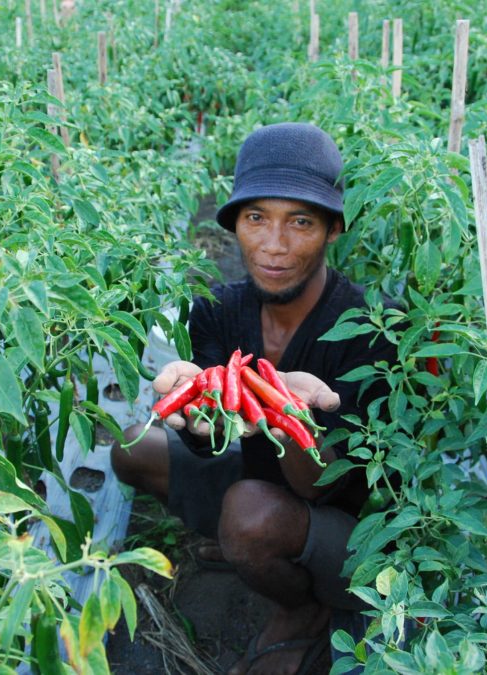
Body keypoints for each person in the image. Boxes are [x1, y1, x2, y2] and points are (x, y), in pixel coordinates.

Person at [111, 123, 395, 675]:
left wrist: (293, 417)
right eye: (256, 218)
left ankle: (303, 609)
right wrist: (194, 416)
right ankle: (252, 549)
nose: (273, 245)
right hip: (260, 479)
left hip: (350, 531)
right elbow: (211, 445)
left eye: (301, 222)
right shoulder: (217, 309)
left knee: (247, 515)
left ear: (334, 229)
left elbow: (327, 485)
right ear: (235, 225)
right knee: (131, 449)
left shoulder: (366, 329)